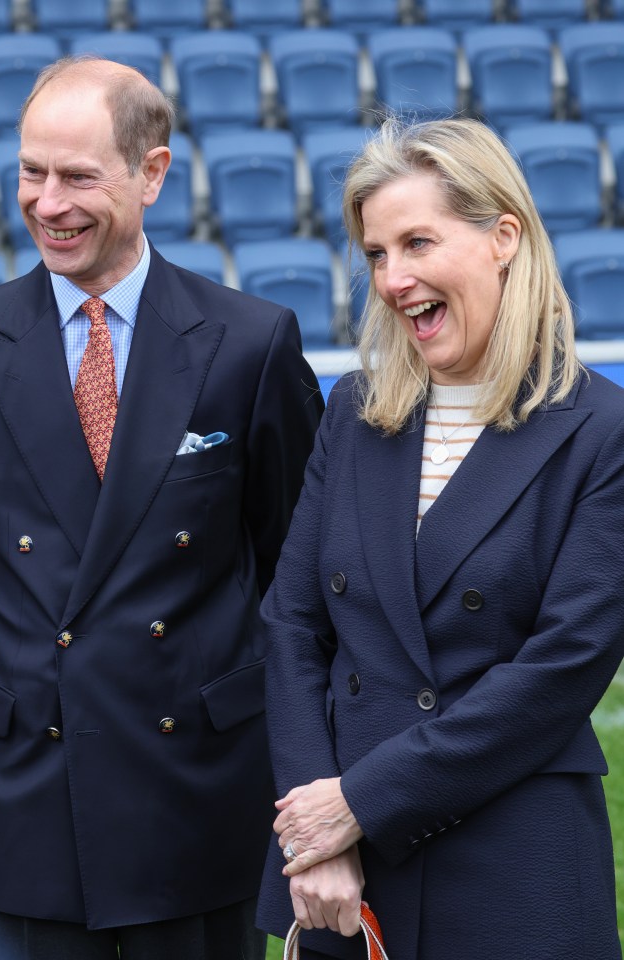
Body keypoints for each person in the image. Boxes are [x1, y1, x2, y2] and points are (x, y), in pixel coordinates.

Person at [0, 56, 323, 960]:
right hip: (21, 795)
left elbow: (288, 563)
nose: (47, 204)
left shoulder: (250, 344)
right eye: (30, 172)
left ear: (153, 173)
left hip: (197, 791)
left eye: (78, 177)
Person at [256, 116, 624, 960]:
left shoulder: (601, 430)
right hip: (343, 875)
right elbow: (290, 627)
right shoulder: (353, 413)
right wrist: (320, 831)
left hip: (513, 861)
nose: (393, 278)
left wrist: (363, 801)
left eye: (417, 242)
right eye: (377, 254)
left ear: (503, 237)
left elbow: (561, 669)